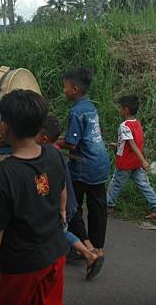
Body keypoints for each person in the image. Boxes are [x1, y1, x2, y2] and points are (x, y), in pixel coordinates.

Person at [0, 90, 68, 305]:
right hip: (55, 254)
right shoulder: (53, 154)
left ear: (5, 126)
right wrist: (60, 212)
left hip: (20, 266)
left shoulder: (4, 173)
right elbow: (61, 190)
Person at [36, 116, 104, 281]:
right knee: (66, 230)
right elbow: (63, 184)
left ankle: (89, 255)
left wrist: (57, 207)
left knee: (60, 232)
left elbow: (43, 187)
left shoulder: (44, 158)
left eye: (35, 133)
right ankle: (90, 252)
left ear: (44, 138)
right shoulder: (58, 154)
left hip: (59, 204)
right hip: (67, 200)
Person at [56, 68, 110, 259]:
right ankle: (98, 247)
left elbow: (72, 142)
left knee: (72, 207)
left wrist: (54, 143)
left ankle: (81, 247)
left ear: (75, 89)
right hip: (100, 164)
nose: (64, 91)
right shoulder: (89, 107)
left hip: (84, 166)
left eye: (66, 87)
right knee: (98, 209)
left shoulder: (77, 111)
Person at [106, 95, 156, 220]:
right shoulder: (137, 123)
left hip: (126, 163)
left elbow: (132, 144)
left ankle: (108, 205)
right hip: (136, 163)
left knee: (116, 183)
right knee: (144, 185)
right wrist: (117, 146)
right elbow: (131, 143)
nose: (119, 110)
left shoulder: (125, 125)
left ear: (126, 110)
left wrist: (144, 161)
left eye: (120, 108)